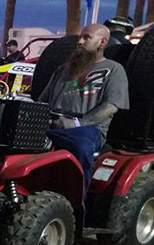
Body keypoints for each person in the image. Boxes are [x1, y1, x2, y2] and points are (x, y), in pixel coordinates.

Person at [38, 24, 129, 186]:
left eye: (87, 38)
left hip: (88, 129)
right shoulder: (63, 70)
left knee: (80, 146)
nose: (80, 41)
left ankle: (78, 196)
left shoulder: (114, 69)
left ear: (102, 42)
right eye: (80, 37)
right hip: (53, 124)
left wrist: (78, 123)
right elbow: (42, 101)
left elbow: (111, 105)